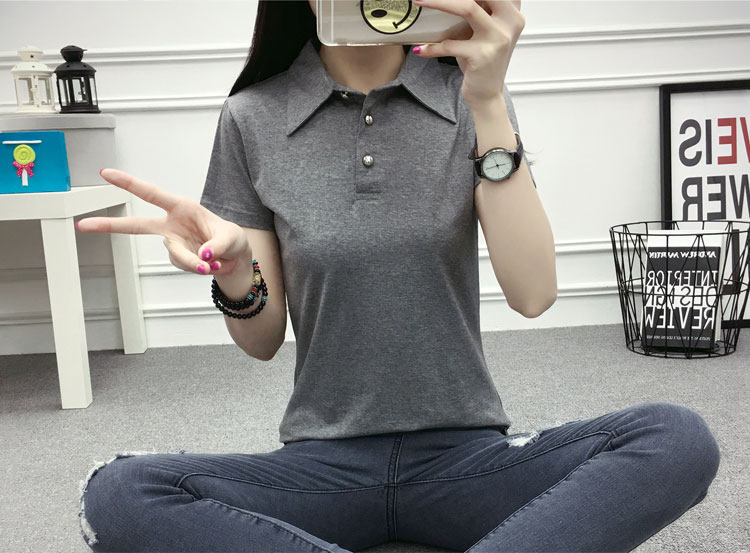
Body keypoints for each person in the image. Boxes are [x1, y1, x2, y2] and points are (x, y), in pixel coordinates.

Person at [76, 1, 721, 552]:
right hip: (323, 467)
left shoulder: (469, 97)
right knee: (120, 493)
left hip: (468, 461)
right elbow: (261, 340)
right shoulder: (252, 116)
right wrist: (238, 272)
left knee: (675, 438)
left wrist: (487, 99)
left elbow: (533, 294)